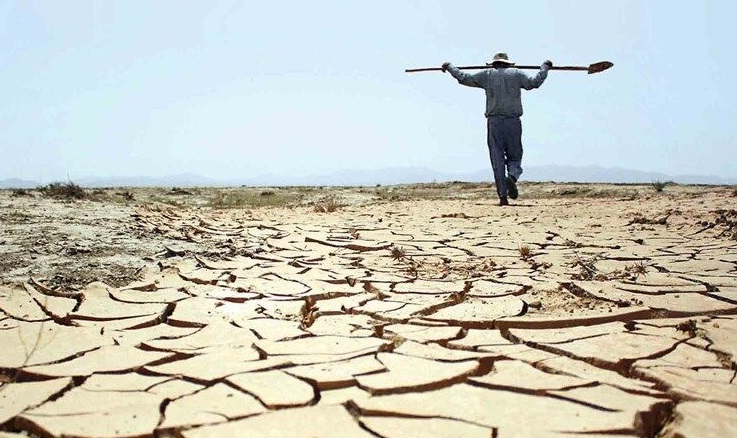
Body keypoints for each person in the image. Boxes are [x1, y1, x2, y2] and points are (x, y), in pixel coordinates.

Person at [442, 53, 552, 206]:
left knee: (497, 159)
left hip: (494, 123)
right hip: (513, 121)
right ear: (508, 63)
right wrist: (544, 67)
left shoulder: (487, 75)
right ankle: (512, 177)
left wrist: (449, 67)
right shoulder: (517, 73)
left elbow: (463, 77)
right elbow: (534, 83)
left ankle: (503, 196)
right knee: (515, 156)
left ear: (494, 64)